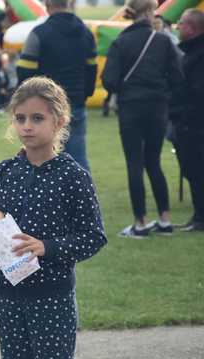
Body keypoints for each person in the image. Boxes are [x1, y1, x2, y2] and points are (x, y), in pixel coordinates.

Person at [0, 76, 107, 359]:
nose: (27, 126)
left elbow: (93, 236)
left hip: (52, 297)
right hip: (7, 294)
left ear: (59, 121)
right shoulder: (3, 173)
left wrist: (46, 247)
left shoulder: (73, 176)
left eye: (37, 118)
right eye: (20, 118)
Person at [102, 0, 181, 238]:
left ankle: (140, 222)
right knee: (153, 162)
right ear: (149, 12)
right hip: (157, 107)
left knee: (134, 163)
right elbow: (178, 76)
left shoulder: (121, 42)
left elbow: (109, 80)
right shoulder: (164, 41)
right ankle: (165, 219)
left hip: (131, 107)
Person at [16, 0, 98, 172]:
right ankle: (84, 197)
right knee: (79, 159)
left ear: (47, 4)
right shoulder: (86, 33)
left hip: (44, 108)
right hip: (76, 102)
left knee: (42, 159)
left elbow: (24, 72)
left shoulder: (39, 34)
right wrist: (85, 94)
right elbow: (92, 68)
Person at [170, 9, 204, 231]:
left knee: (197, 170)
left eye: (181, 24)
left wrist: (182, 115)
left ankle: (201, 218)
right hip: (188, 122)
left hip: (194, 125)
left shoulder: (198, 55)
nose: (177, 27)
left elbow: (197, 93)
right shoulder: (190, 52)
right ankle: (198, 215)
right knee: (193, 171)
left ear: (191, 28)